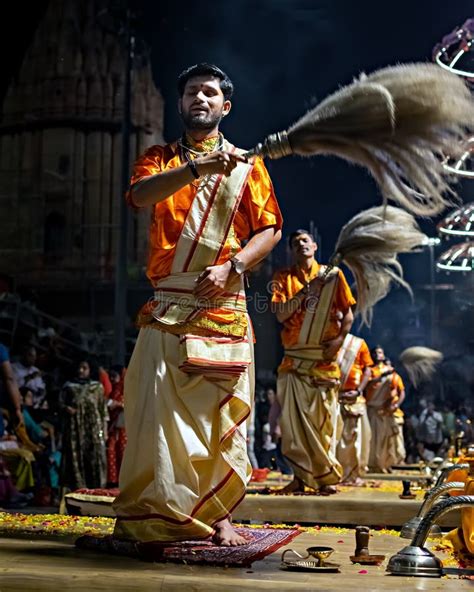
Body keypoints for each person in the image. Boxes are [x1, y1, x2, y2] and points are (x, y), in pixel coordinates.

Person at [113, 63, 282, 546]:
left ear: (225, 106)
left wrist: (235, 268)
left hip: (222, 299)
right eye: (191, 92)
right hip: (167, 303)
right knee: (155, 414)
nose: (199, 99)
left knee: (218, 416)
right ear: (181, 103)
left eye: (209, 93)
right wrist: (196, 169)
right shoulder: (158, 158)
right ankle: (155, 509)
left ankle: (219, 515)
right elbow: (140, 196)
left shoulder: (248, 165)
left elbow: (269, 229)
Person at [271, 230, 355, 494]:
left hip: (323, 361)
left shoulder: (333, 276)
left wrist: (339, 342)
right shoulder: (282, 278)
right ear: (290, 251)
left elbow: (349, 315)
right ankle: (300, 478)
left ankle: (326, 478)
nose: (301, 245)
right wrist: (307, 291)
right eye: (295, 243)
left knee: (323, 425)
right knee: (294, 427)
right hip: (293, 361)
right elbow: (281, 315)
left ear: (315, 246)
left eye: (305, 241)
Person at [59, 360, 107, 491]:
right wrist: (66, 408)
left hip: (93, 429)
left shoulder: (97, 387)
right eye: (79, 367)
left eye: (84, 368)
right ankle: (78, 488)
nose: (81, 371)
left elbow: (103, 410)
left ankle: (96, 489)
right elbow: (60, 404)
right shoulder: (69, 387)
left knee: (95, 457)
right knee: (76, 457)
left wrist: (104, 431)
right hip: (75, 429)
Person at [335, 333, 373, 484]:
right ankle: (335, 474)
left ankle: (354, 475)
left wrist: (358, 390)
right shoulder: (328, 340)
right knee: (335, 440)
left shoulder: (358, 344)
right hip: (335, 398)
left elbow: (368, 370)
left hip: (355, 401)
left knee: (356, 440)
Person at [365, 346, 406, 472]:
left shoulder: (391, 372)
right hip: (372, 409)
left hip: (385, 411)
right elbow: (366, 385)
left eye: (380, 352)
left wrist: (395, 404)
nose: (378, 355)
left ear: (383, 355)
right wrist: (380, 377)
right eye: (375, 353)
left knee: (385, 439)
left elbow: (398, 391)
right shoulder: (370, 371)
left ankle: (384, 464)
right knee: (371, 438)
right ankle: (372, 464)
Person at [105, 365, 126, 487]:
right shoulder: (113, 390)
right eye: (110, 376)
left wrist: (118, 404)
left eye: (114, 376)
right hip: (113, 427)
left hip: (124, 427)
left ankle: (122, 480)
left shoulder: (126, 387)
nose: (112, 379)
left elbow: (130, 403)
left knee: (122, 452)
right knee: (111, 451)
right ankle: (112, 481)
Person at [11, 345, 46, 409]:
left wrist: (41, 391)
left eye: (35, 356)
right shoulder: (13, 367)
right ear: (23, 354)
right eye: (30, 355)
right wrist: (30, 377)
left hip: (33, 404)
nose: (33, 359)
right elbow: (14, 386)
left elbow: (40, 388)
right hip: (17, 402)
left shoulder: (35, 370)